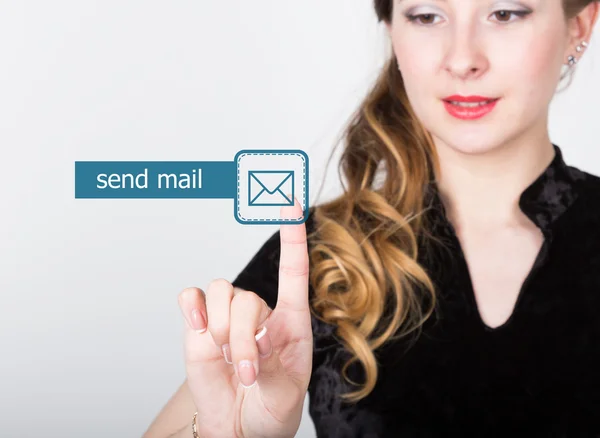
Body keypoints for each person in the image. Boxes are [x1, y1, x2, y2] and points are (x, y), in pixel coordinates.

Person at [144, 0, 600, 436]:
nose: (463, 59)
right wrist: (226, 435)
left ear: (577, 27)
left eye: (504, 13)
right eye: (426, 16)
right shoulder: (319, 257)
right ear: (394, 36)